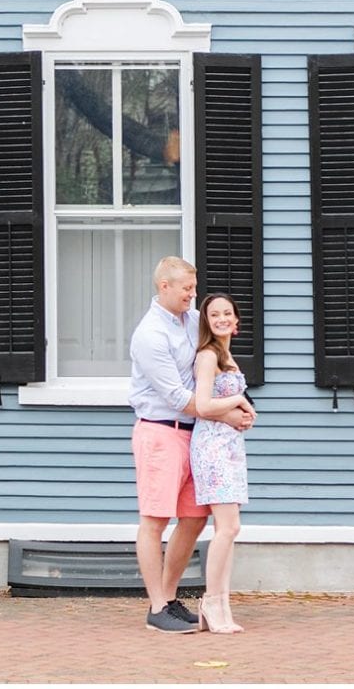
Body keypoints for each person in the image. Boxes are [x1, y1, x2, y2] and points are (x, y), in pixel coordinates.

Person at [128, 257, 255, 633]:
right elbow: (176, 395)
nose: (192, 295)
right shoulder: (150, 334)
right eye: (186, 288)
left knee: (195, 517)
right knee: (154, 520)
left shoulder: (187, 323)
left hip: (193, 434)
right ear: (164, 286)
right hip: (160, 431)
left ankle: (169, 598)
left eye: (194, 288)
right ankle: (156, 606)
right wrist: (227, 414)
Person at [191, 292, 252, 634]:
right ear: (207, 322)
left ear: (236, 320)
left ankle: (222, 603)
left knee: (228, 529)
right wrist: (239, 400)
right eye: (215, 315)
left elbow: (224, 408)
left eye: (227, 313)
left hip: (230, 447)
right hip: (211, 448)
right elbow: (202, 405)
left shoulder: (228, 357)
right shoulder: (207, 356)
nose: (222, 319)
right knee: (228, 528)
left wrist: (242, 416)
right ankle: (211, 601)